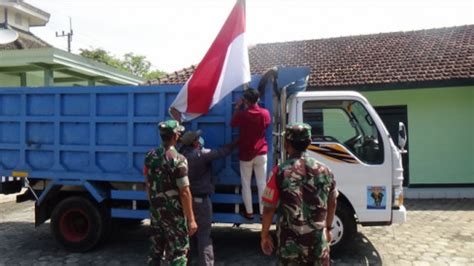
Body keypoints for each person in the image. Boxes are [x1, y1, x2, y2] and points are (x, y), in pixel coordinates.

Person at [260, 123, 338, 265]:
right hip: (318, 245)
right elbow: (332, 202)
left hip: (290, 247)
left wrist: (265, 234)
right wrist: (328, 228)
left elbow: (268, 208)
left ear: (286, 144)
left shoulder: (279, 172)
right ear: (309, 143)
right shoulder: (326, 171)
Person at [144, 120, 198, 266]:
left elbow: (148, 184)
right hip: (174, 214)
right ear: (175, 136)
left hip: (156, 212)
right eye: (178, 132)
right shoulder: (179, 160)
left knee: (155, 251)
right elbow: (185, 191)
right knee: (178, 253)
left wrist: (154, 206)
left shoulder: (150, 156)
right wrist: (191, 219)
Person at [179, 130, 236, 266]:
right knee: (204, 236)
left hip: (185, 200)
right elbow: (222, 152)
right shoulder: (201, 155)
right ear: (194, 142)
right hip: (201, 201)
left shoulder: (181, 156)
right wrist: (236, 142)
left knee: (188, 234)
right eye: (198, 138)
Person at [230, 88, 271, 219]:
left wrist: (237, 107)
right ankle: (263, 213)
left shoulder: (242, 114)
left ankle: (249, 212)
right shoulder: (265, 113)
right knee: (262, 184)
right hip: (261, 153)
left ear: (245, 100)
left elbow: (232, 123)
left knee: (246, 184)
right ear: (258, 99)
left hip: (246, 154)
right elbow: (267, 125)